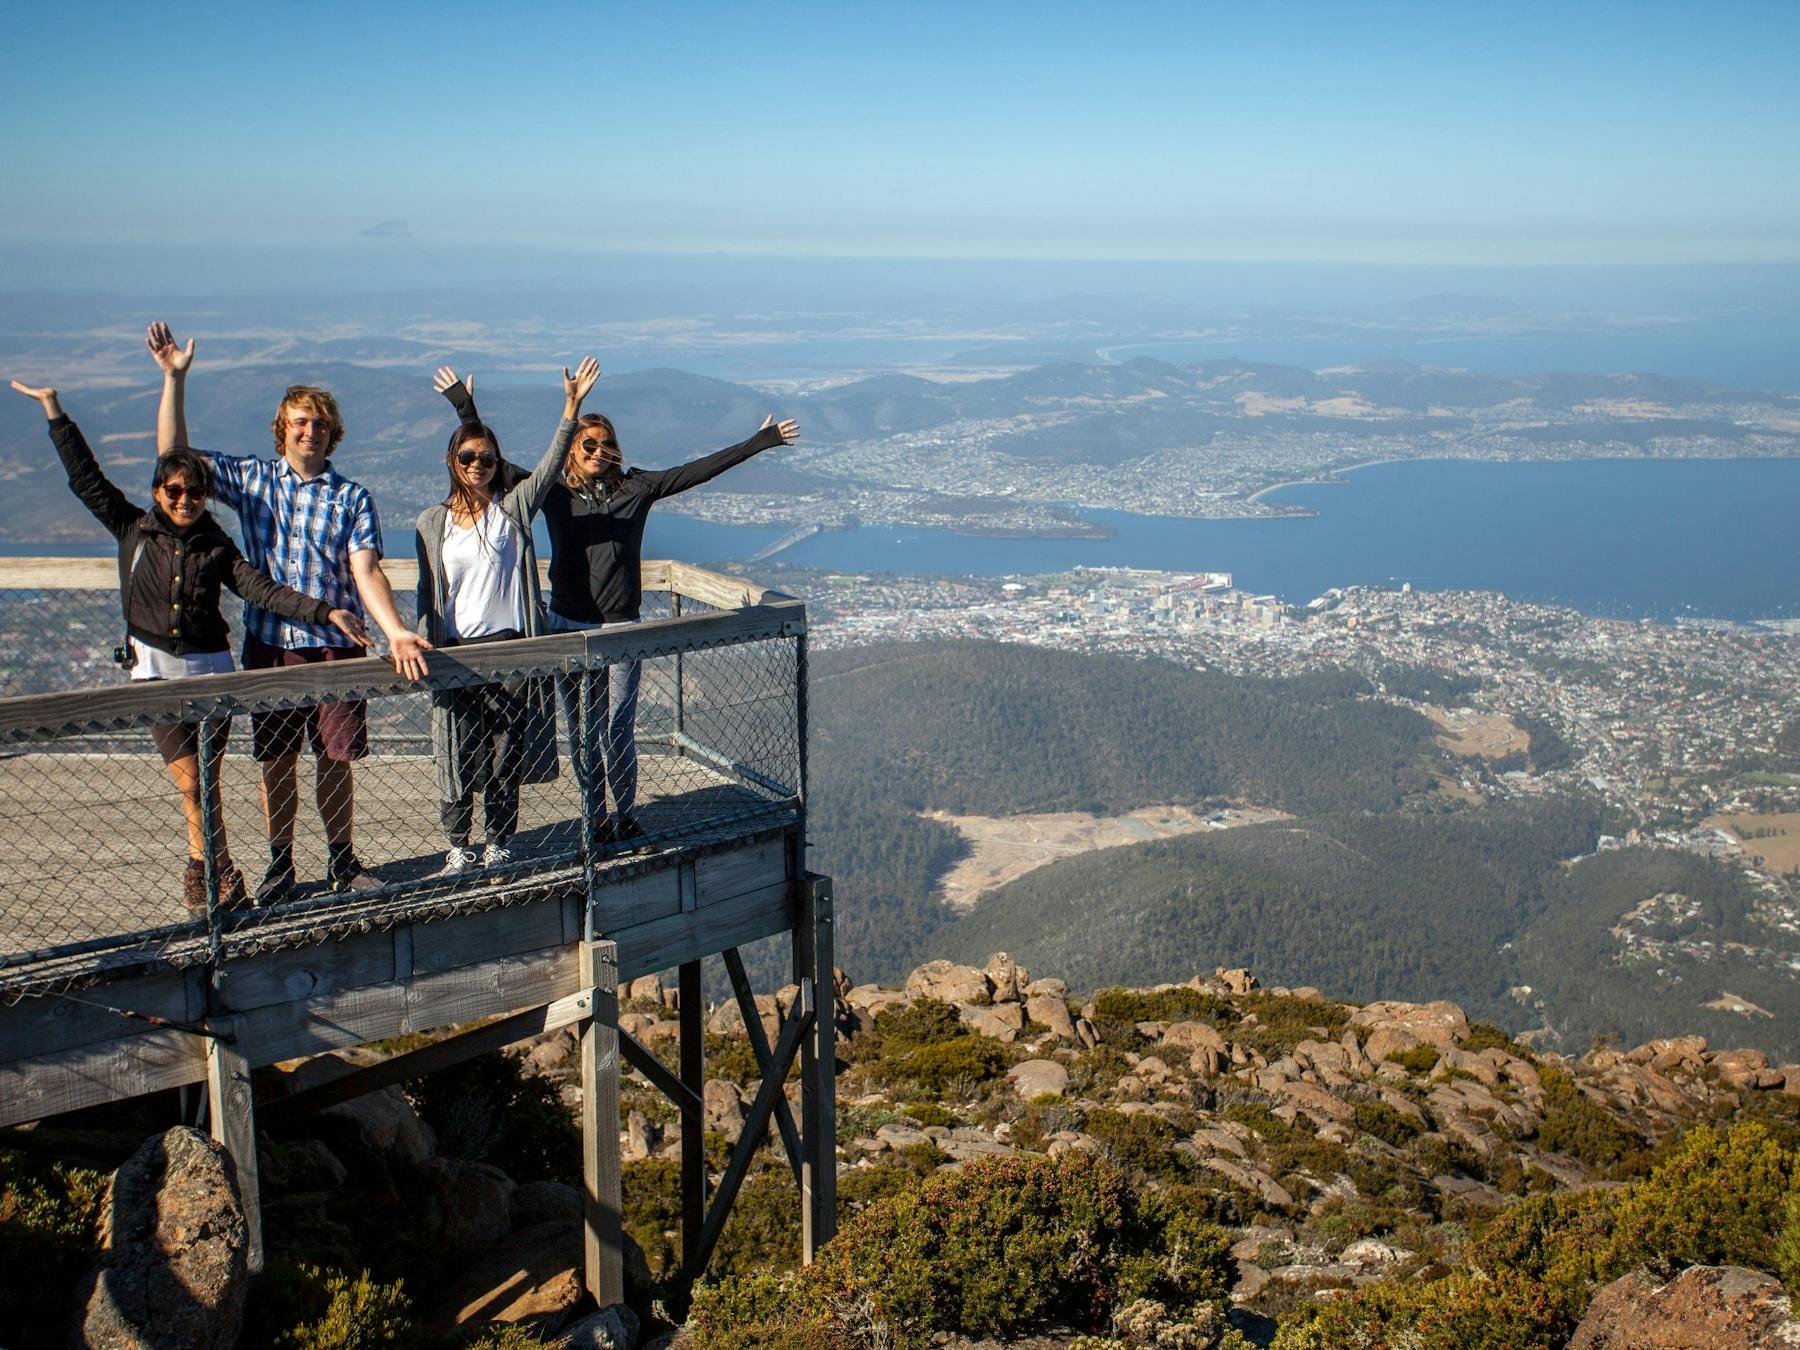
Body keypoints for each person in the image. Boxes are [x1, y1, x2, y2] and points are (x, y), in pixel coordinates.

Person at [8, 378, 369, 912]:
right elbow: (86, 480)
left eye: (194, 493)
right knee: (192, 781)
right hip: (155, 673)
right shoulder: (133, 527)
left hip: (213, 673)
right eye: (173, 491)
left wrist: (326, 612)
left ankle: (213, 876)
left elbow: (259, 589)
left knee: (207, 778)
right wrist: (56, 412)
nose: (184, 500)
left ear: (205, 498)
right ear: (157, 493)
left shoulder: (215, 544)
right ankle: (214, 869)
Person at [147, 322, 431, 900]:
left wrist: (396, 631)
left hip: (337, 646)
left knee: (335, 759)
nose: (311, 430)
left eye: (321, 423)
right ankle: (281, 864)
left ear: (333, 435)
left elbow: (366, 570)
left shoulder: (352, 497)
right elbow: (174, 459)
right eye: (300, 422)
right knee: (275, 760)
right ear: (283, 430)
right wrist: (174, 379)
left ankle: (342, 861)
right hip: (271, 643)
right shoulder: (252, 481)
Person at [445, 380, 799, 842]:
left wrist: (760, 441)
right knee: (581, 732)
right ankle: (595, 817)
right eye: (587, 444)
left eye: (604, 444)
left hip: (622, 630)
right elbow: (492, 463)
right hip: (568, 628)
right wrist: (465, 407)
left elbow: (697, 471)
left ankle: (624, 811)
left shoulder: (638, 487)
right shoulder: (553, 492)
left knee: (616, 728)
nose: (596, 451)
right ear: (571, 451)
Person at [416, 357, 599, 873]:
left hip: (512, 647)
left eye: (489, 460)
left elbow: (547, 466)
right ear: (453, 460)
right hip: (455, 652)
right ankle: (458, 843)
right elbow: (428, 593)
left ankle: (498, 839)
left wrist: (571, 407)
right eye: (469, 456)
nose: (479, 465)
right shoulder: (432, 523)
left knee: (503, 750)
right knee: (457, 748)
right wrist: (417, 640)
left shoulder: (511, 512)